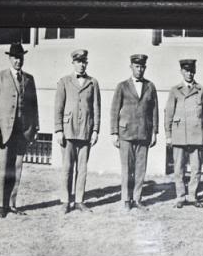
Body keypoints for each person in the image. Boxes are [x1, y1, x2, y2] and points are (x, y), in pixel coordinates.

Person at [0, 43, 39, 218]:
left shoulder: (29, 79)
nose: (18, 61)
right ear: (9, 58)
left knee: (17, 168)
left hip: (22, 132)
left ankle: (12, 204)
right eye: (15, 57)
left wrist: (35, 128)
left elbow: (34, 105)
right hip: (4, 131)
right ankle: (1, 206)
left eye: (21, 57)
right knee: (4, 168)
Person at [54, 49, 101, 214]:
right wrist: (58, 130)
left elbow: (96, 109)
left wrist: (95, 131)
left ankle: (80, 200)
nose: (81, 65)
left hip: (85, 132)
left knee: (82, 169)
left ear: (86, 63)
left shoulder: (93, 83)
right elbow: (58, 108)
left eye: (84, 62)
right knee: (67, 168)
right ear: (73, 63)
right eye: (78, 62)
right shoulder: (64, 82)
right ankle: (65, 201)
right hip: (68, 131)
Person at [110, 54, 158, 211]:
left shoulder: (150, 86)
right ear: (131, 67)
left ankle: (137, 199)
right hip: (126, 134)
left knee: (140, 169)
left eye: (142, 66)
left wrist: (154, 132)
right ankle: (126, 199)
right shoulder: (122, 86)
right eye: (137, 66)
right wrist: (114, 133)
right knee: (127, 169)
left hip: (144, 132)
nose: (140, 69)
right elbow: (114, 110)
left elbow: (154, 111)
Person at [165, 59, 203, 209]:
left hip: (196, 134)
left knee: (196, 168)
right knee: (179, 168)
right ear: (181, 72)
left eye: (191, 71)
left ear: (195, 71)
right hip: (179, 135)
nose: (189, 73)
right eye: (186, 71)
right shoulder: (175, 90)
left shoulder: (201, 90)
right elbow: (169, 114)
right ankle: (180, 196)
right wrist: (168, 134)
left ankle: (192, 196)